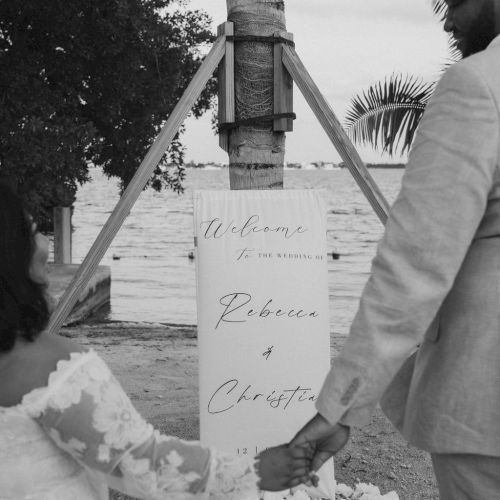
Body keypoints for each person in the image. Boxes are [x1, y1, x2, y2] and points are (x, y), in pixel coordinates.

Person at [290, 1, 500, 498]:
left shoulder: (480, 84)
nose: (448, 21)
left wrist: (338, 409)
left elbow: (417, 264)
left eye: (458, 2)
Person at [0, 182, 311, 499]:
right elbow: (141, 460)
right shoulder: (50, 366)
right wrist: (253, 472)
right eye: (34, 230)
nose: (43, 242)